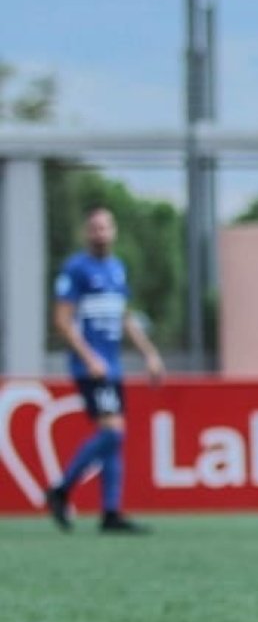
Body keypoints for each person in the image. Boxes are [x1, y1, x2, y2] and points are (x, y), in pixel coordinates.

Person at [44, 206, 164, 534]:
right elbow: (62, 320)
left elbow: (125, 317)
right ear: (86, 232)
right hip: (91, 369)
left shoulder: (116, 269)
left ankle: (110, 512)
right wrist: (89, 357)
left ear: (113, 231)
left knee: (113, 438)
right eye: (94, 228)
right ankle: (61, 488)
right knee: (112, 432)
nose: (100, 234)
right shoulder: (75, 269)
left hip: (111, 368)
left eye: (104, 227)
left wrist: (150, 354)